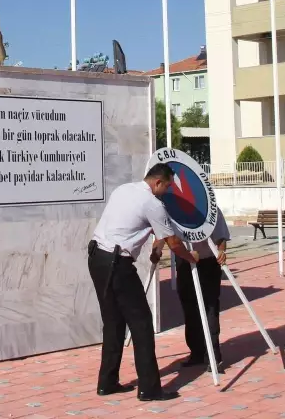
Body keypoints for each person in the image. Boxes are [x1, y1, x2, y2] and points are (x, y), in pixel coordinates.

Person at [89, 163, 198, 402]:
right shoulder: (153, 204)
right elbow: (173, 242)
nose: (167, 191)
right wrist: (192, 258)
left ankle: (107, 383)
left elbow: (150, 231)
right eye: (167, 186)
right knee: (142, 325)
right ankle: (149, 389)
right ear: (158, 182)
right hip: (118, 264)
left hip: (97, 258)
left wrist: (157, 249)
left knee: (114, 322)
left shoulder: (124, 190)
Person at [171, 208, 230, 370]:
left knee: (210, 307)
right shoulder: (174, 210)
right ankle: (196, 352)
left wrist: (222, 251)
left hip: (208, 262)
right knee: (190, 307)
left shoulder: (211, 209)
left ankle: (213, 356)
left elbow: (221, 237)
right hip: (185, 262)